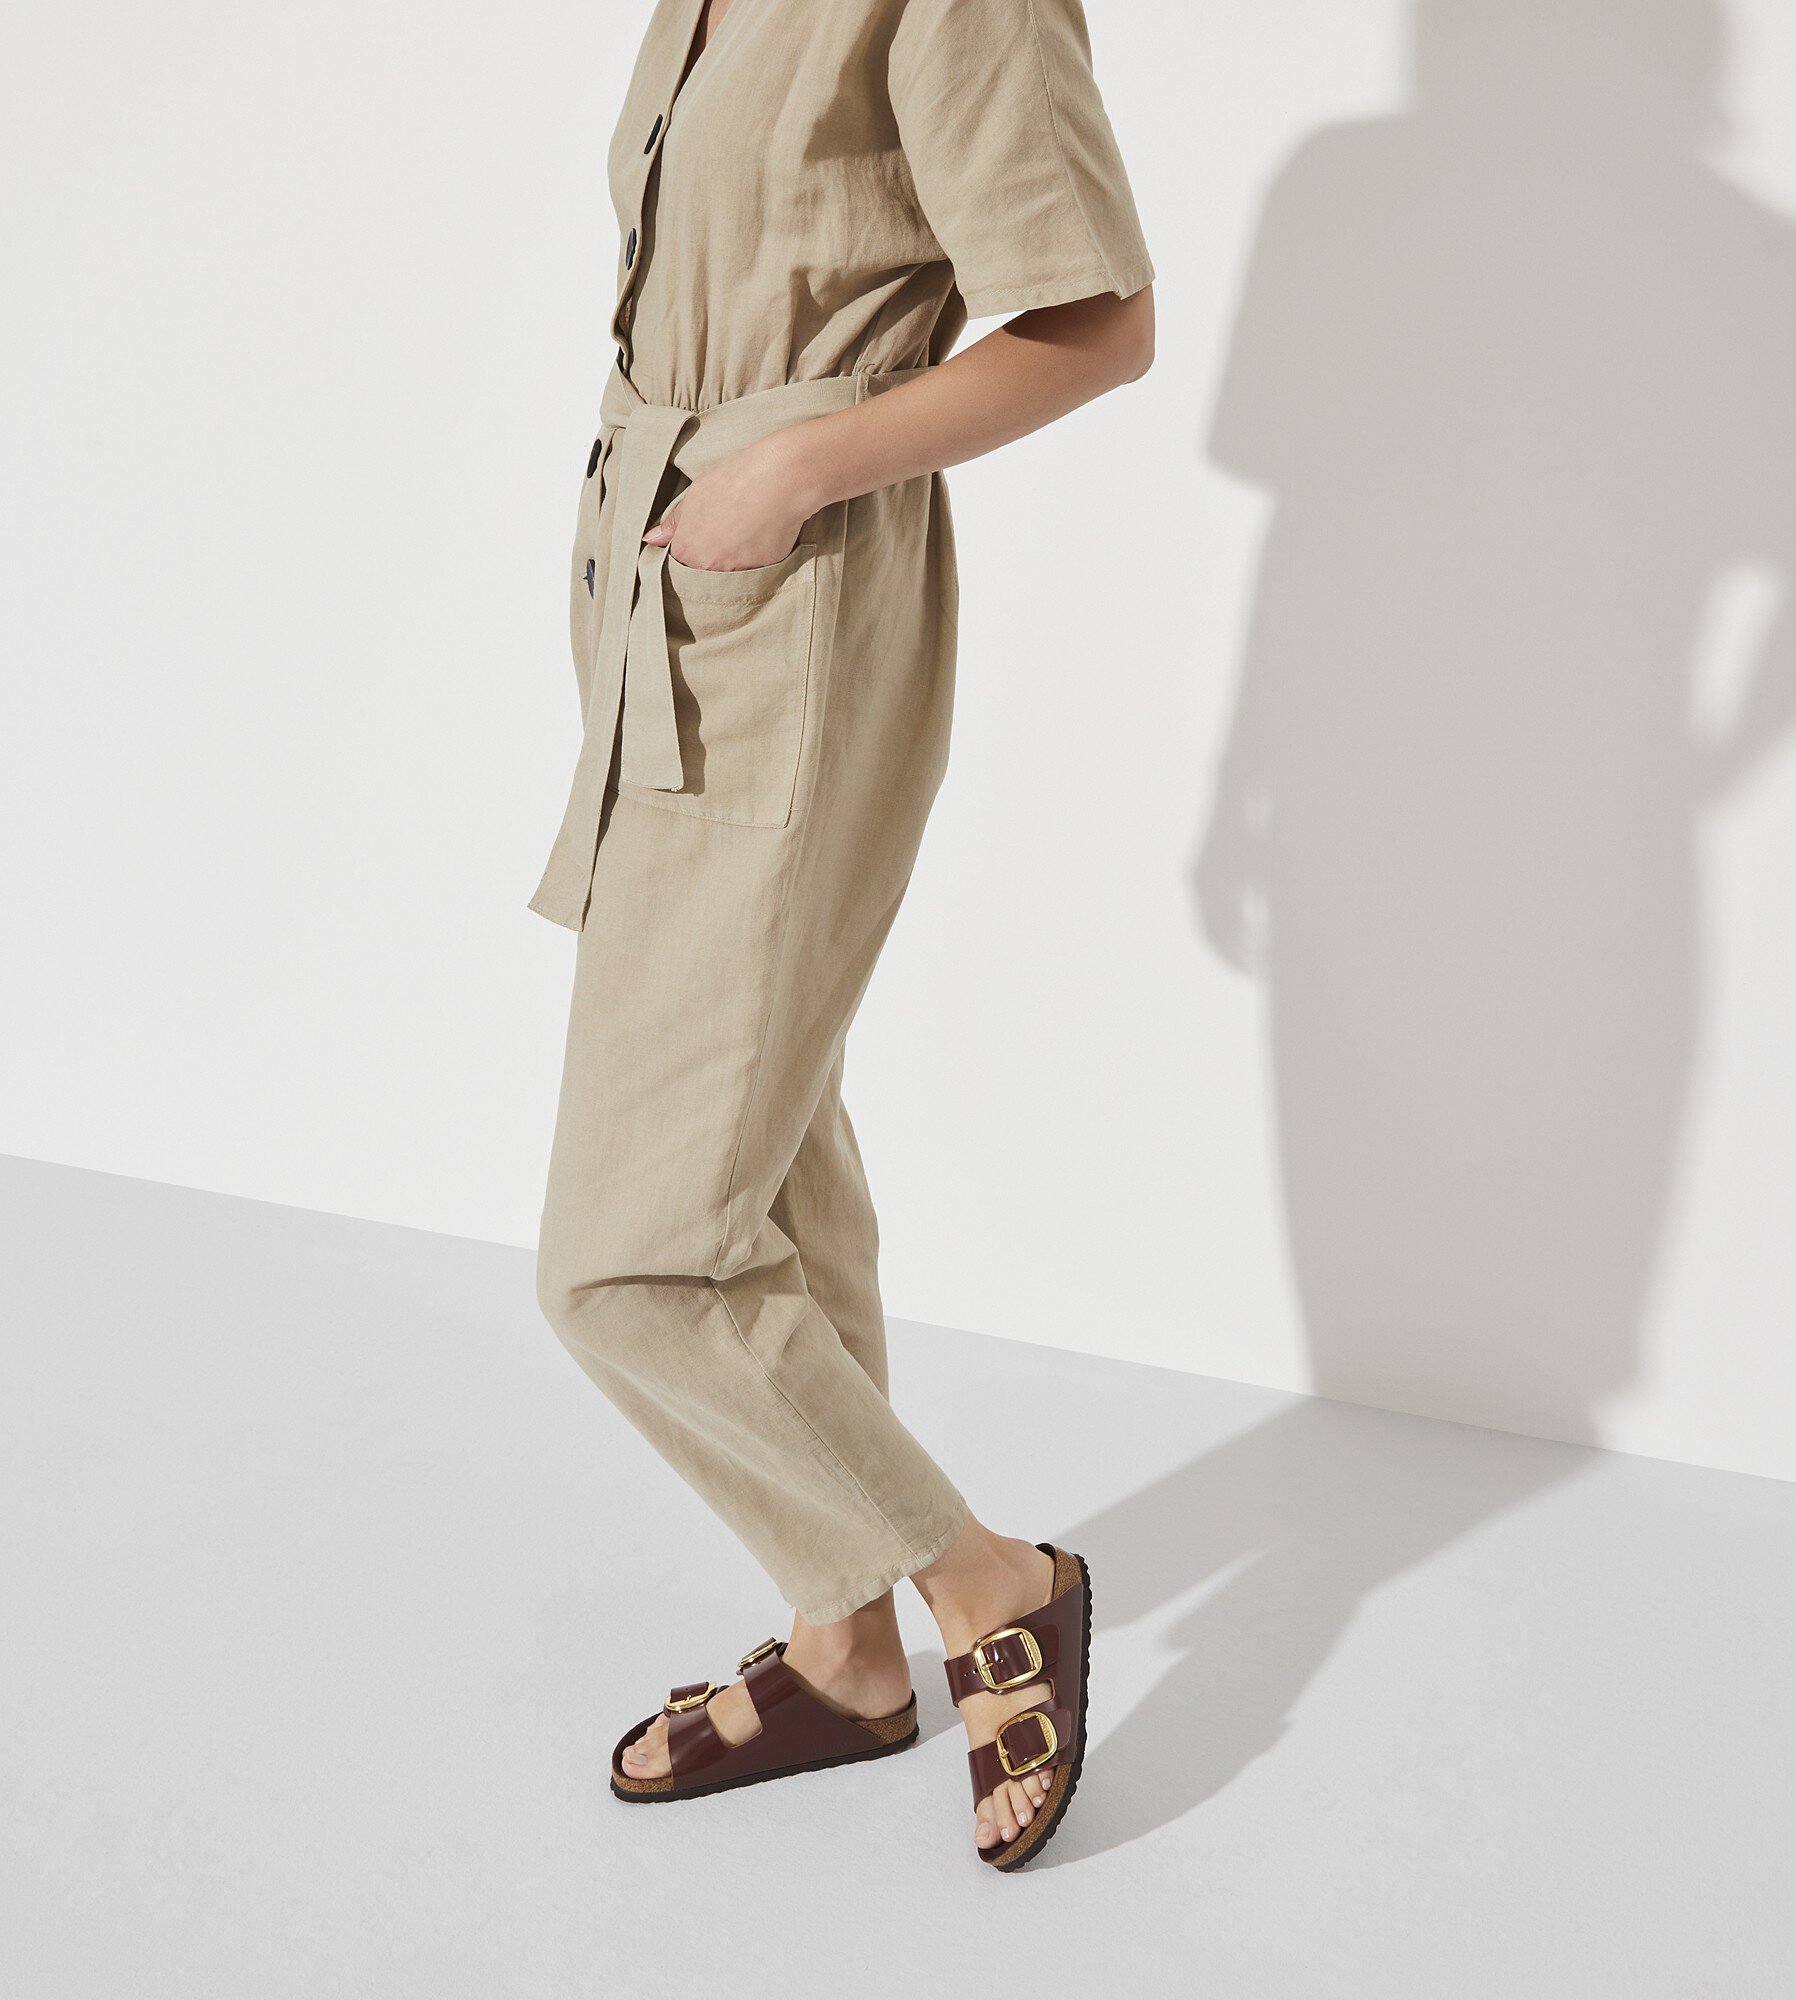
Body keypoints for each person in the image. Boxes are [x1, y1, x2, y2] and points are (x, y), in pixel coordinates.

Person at [530, 0, 1154, 1871]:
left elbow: (1098, 325)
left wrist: (796, 470)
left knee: (630, 1257)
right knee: (770, 1138)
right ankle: (847, 1649)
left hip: (788, 583)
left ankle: (986, 1585)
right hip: (662, 578)